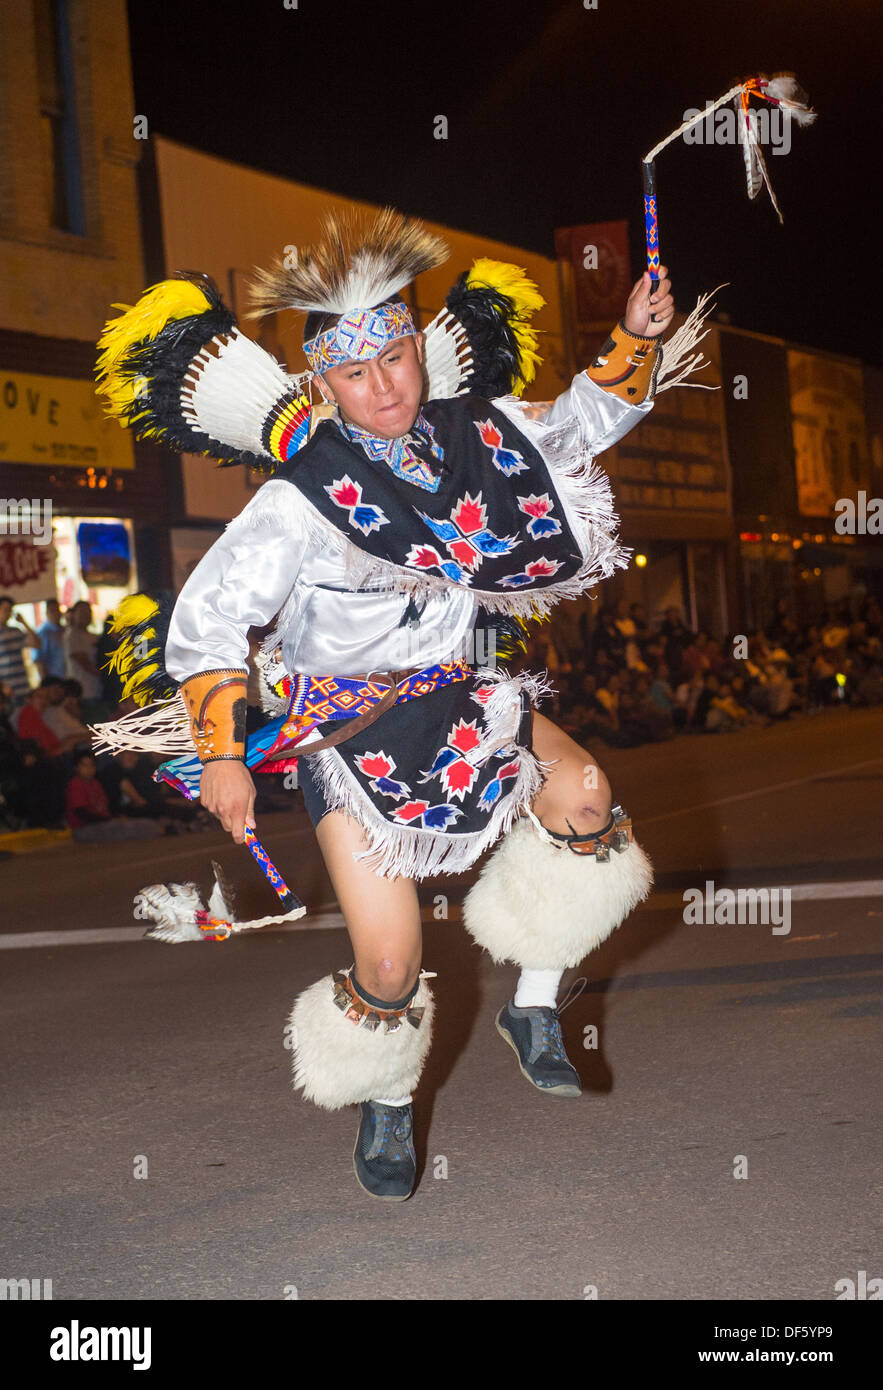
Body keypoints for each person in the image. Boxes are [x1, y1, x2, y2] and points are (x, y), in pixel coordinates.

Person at [93, 209, 714, 1201]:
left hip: (462, 699)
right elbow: (210, 621)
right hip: (350, 735)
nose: (381, 387)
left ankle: (536, 1006)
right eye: (354, 372)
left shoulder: (476, 439)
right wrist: (222, 752)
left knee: (587, 798)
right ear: (322, 386)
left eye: (393, 357)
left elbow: (579, 424)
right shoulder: (300, 497)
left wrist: (634, 336)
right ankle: (385, 1095)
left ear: (417, 350)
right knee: (388, 962)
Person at [64, 601, 103, 716]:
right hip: (83, 693)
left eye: (88, 611)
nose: (86, 615)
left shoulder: (94, 636)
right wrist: (106, 674)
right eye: (82, 612)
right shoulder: (72, 635)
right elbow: (84, 662)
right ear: (74, 614)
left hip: (97, 690)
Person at [0, 595, 40, 707]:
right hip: (6, 689)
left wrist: (24, 623)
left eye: (10, 610)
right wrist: (2, 686)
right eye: (5, 610)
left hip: (23, 685)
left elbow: (37, 644)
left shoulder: (15, 631)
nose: (8, 614)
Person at [36, 598, 66, 679]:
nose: (56, 613)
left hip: (67, 676)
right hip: (53, 678)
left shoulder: (65, 630)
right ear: (46, 613)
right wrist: (45, 682)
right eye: (52, 611)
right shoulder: (42, 633)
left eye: (57, 610)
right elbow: (39, 660)